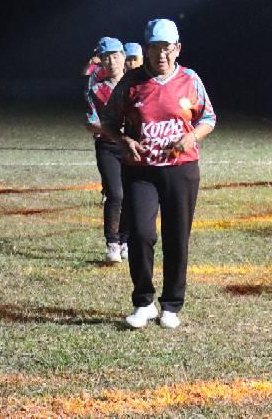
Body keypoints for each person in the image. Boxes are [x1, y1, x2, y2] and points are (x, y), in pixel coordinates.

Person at [100, 18, 216, 330]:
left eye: (167, 48)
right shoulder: (131, 82)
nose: (161, 54)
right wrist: (123, 141)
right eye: (154, 48)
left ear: (177, 49)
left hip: (181, 170)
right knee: (140, 234)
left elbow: (208, 118)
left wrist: (191, 137)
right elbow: (108, 121)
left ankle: (172, 305)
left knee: (177, 237)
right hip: (141, 172)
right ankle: (143, 302)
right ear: (146, 50)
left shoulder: (190, 79)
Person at [85, 37, 130, 263]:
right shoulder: (97, 89)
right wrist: (111, 129)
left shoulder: (136, 84)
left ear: (123, 57)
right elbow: (90, 121)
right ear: (101, 62)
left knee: (131, 195)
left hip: (132, 147)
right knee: (115, 194)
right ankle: (112, 243)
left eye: (115, 56)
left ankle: (125, 241)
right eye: (106, 58)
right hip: (108, 147)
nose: (111, 62)